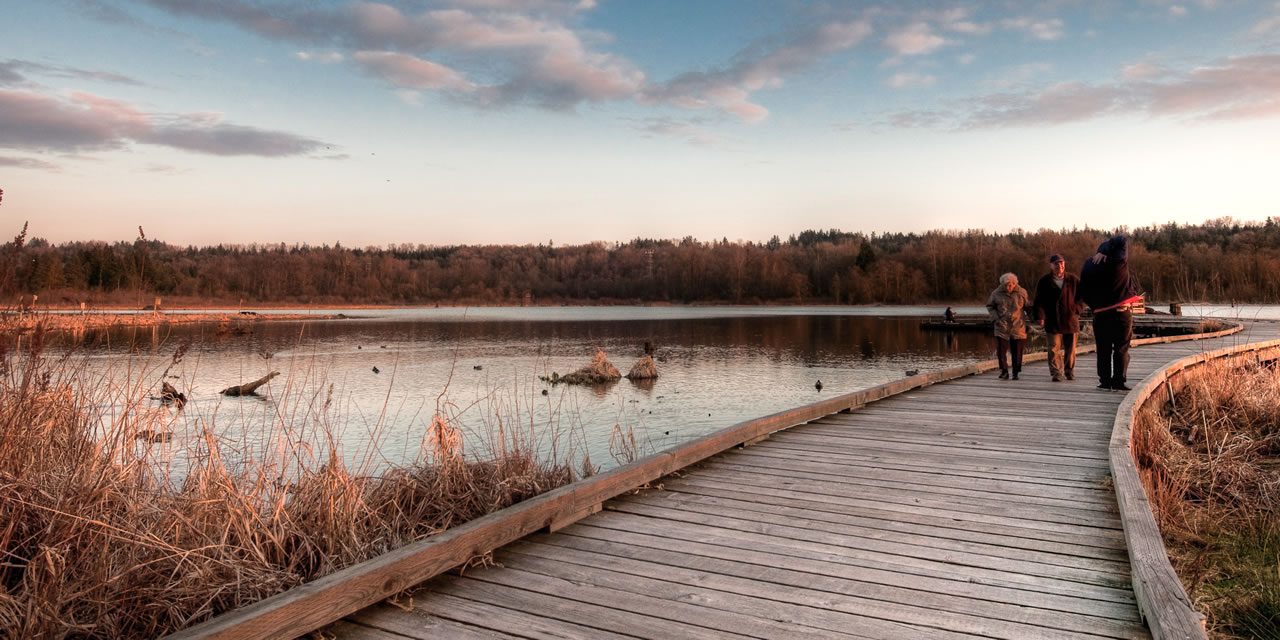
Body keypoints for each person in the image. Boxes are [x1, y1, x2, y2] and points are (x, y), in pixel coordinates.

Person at [1077, 234, 1143, 391]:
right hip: (1121, 312)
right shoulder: (1118, 261)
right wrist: (1105, 249)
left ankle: (1105, 380)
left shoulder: (1089, 264)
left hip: (1100, 313)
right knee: (1121, 348)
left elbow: (1083, 291)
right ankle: (1119, 380)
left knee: (1103, 348)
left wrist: (1094, 306)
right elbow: (1122, 239)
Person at [1033, 254, 1081, 382]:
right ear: (1051, 265)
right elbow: (1038, 301)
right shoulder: (1044, 281)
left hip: (1070, 319)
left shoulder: (1073, 279)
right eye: (1056, 264)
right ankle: (1056, 373)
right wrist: (1040, 316)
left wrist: (1076, 310)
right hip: (1052, 319)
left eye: (1061, 263)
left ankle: (1069, 371)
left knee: (1070, 349)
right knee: (1053, 348)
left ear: (1064, 264)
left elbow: (1082, 297)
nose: (1059, 266)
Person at [986, 273, 1028, 380]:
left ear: (1015, 284)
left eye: (1012, 284)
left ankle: (1016, 372)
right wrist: (996, 319)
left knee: (1017, 351)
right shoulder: (996, 293)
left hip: (1018, 326)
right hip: (1001, 325)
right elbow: (990, 306)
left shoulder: (1022, 292)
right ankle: (1004, 371)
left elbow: (1028, 307)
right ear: (1002, 284)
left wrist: (1037, 318)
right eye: (1007, 285)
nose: (1009, 287)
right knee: (1001, 351)